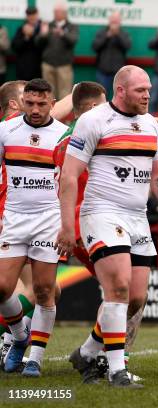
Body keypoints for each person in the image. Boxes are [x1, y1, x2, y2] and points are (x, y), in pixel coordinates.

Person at [56, 65, 158, 388]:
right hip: (101, 213)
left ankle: (86, 351)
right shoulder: (93, 121)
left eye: (150, 90)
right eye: (141, 90)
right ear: (120, 91)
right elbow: (69, 176)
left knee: (136, 299)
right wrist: (67, 225)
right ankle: (116, 371)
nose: (148, 96)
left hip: (137, 217)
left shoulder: (151, 125)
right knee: (119, 289)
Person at [0, 79, 68, 377]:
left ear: (52, 104)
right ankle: (18, 336)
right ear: (22, 102)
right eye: (30, 103)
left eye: (42, 104)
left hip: (48, 221)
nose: (36, 109)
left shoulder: (64, 135)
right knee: (2, 288)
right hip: (13, 219)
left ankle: (35, 359)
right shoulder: (6, 131)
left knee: (44, 290)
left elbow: (69, 181)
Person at [36, 1, 79, 100]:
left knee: (64, 94)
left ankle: (62, 116)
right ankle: (49, 115)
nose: (56, 14)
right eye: (55, 11)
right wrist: (43, 35)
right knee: (48, 94)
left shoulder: (72, 26)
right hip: (48, 65)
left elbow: (73, 40)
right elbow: (38, 43)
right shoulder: (48, 25)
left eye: (58, 12)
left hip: (64, 66)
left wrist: (62, 34)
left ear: (65, 13)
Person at [92, 12, 132, 98]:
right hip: (102, 71)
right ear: (109, 21)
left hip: (118, 72)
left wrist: (117, 35)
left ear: (120, 22)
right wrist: (107, 36)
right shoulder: (102, 32)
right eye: (112, 21)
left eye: (116, 21)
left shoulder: (124, 34)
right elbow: (95, 47)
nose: (114, 23)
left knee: (119, 97)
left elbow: (127, 46)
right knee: (100, 96)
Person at [11, 7, 43, 81]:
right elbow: (15, 47)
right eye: (29, 15)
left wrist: (35, 35)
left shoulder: (43, 29)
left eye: (33, 15)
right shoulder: (21, 29)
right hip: (23, 70)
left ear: (37, 15)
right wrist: (26, 37)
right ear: (27, 16)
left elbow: (44, 47)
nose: (31, 17)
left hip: (38, 70)